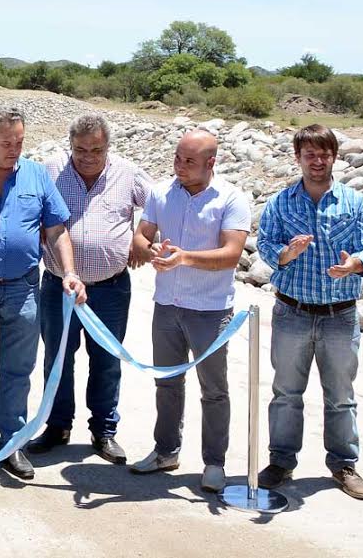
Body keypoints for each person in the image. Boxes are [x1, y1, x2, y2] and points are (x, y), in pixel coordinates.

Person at [256, 124, 363, 501]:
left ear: (334, 157)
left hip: (340, 316)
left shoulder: (355, 203)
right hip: (292, 312)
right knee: (285, 393)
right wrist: (284, 255)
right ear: (298, 158)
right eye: (309, 154)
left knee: (341, 395)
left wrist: (356, 263)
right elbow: (263, 242)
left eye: (324, 153)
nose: (317, 160)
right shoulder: (281, 202)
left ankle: (343, 464)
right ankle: (281, 461)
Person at [0, 105, 86, 481]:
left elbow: (56, 229)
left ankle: (12, 444)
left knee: (18, 371)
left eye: (19, 141)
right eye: (6, 142)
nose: (14, 149)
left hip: (23, 291)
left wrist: (69, 272)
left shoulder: (36, 175)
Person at [129, 129, 250, 494]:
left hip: (210, 312)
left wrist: (184, 258)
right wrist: (149, 251)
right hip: (167, 307)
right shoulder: (161, 192)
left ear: (211, 163)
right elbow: (141, 234)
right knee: (166, 383)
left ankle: (215, 463)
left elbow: (231, 255)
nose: (180, 167)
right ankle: (166, 451)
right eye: (178, 158)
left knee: (214, 390)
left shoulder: (231, 199)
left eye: (189, 161)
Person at [28, 114, 152, 465]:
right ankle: (57, 426)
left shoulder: (128, 173)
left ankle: (104, 431)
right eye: (80, 150)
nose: (87, 157)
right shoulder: (51, 170)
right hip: (58, 286)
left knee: (107, 360)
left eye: (96, 149)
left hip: (110, 289)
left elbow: (160, 203)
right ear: (70, 146)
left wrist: (144, 237)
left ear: (107, 146)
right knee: (57, 359)